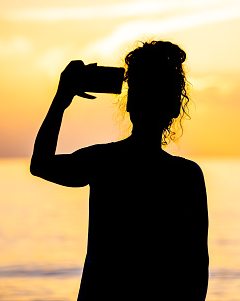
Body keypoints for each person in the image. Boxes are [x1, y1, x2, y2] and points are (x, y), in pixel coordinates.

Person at [30, 41, 209, 300]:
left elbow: (41, 164)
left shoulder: (104, 162)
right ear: (174, 107)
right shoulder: (186, 176)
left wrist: (61, 99)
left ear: (129, 104)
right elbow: (196, 274)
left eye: (144, 89)